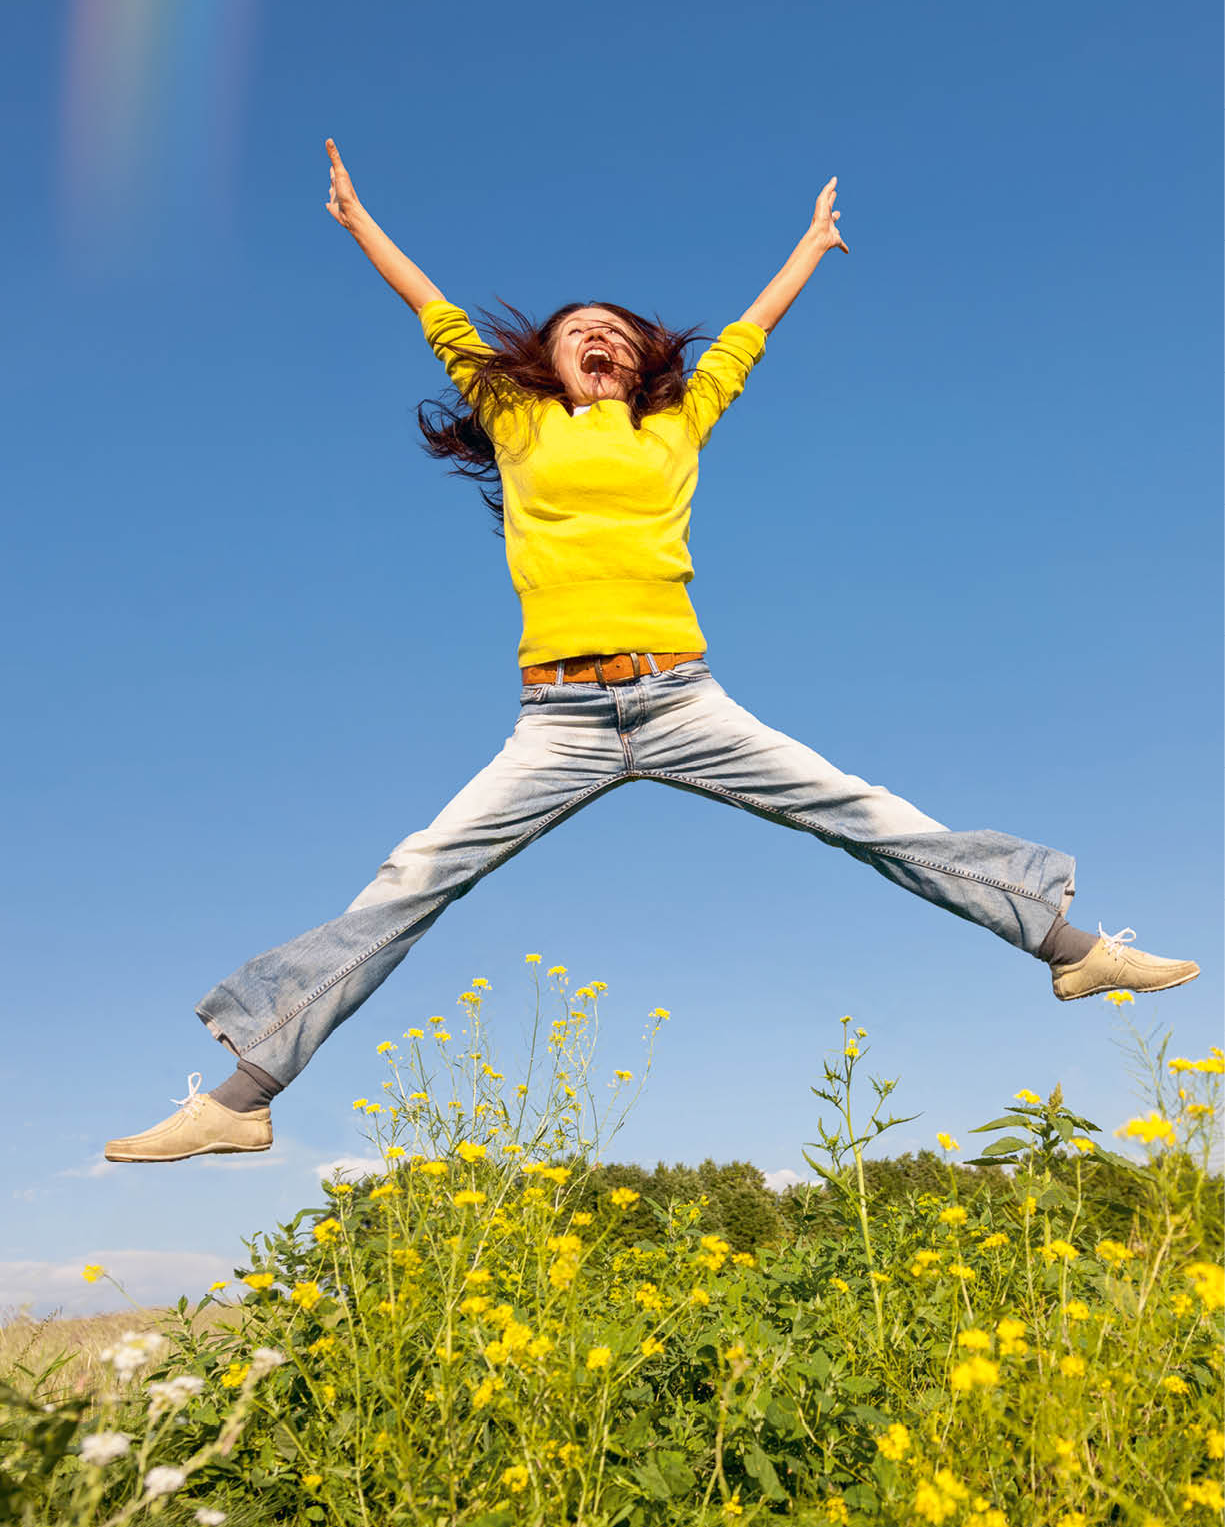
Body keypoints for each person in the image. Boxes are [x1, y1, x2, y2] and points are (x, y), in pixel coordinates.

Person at [105, 141, 1199, 1163]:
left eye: (621, 334)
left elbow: (746, 337)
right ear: (549, 359)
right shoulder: (512, 415)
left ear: (640, 365)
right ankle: (239, 1101)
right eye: (583, 330)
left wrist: (810, 248)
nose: (603, 339)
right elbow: (430, 308)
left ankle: (1072, 951)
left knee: (866, 812)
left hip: (680, 698)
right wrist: (356, 221)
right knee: (414, 874)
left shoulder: (674, 427)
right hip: (559, 720)